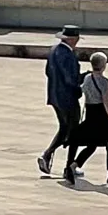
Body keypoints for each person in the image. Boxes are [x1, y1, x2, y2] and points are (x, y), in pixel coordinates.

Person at [68, 50, 108, 185]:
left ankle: (73, 166)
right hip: (102, 116)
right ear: (104, 65)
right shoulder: (104, 82)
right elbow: (107, 103)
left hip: (90, 115)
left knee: (91, 145)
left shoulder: (87, 78)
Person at [39, 26, 83, 184]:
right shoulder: (67, 55)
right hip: (67, 98)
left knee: (64, 128)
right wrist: (80, 85)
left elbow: (48, 72)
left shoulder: (54, 51)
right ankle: (68, 167)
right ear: (72, 40)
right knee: (74, 131)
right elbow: (69, 79)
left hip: (55, 96)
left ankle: (47, 155)